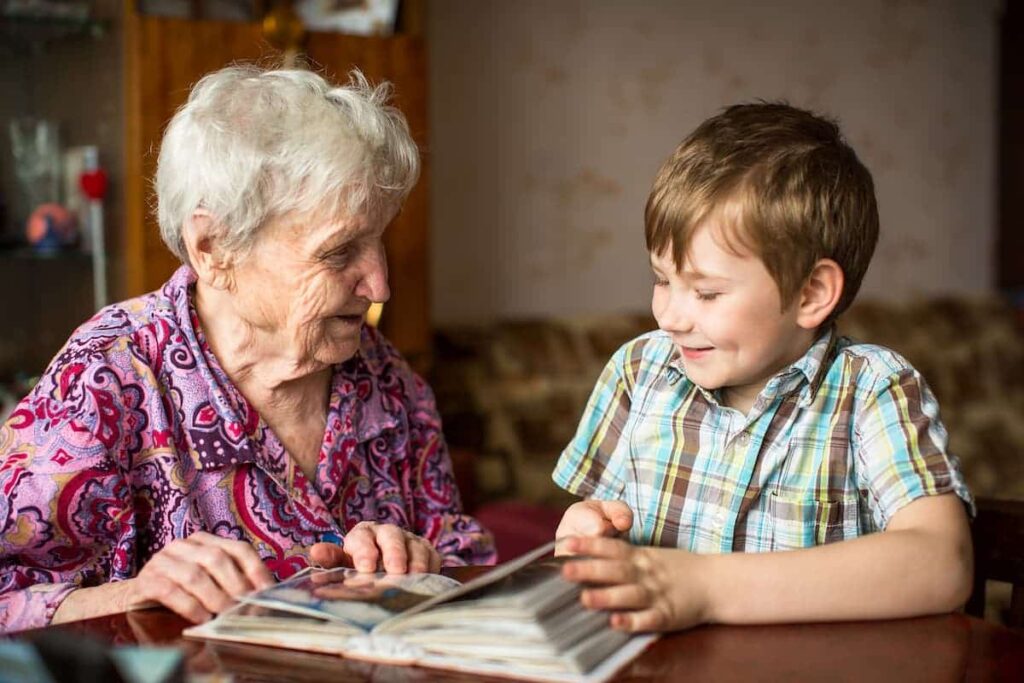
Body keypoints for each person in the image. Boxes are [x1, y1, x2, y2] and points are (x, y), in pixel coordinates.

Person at [0, 64, 495, 633]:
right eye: (339, 253)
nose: (380, 286)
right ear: (213, 247)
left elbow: (469, 563)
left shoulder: (385, 378)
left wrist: (421, 563)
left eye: (379, 240)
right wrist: (139, 593)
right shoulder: (105, 380)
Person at [551, 103, 974, 632]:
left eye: (706, 292)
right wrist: (588, 535)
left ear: (811, 293)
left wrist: (704, 586)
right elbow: (597, 523)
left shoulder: (872, 392)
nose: (669, 315)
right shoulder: (639, 371)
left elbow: (942, 564)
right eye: (662, 279)